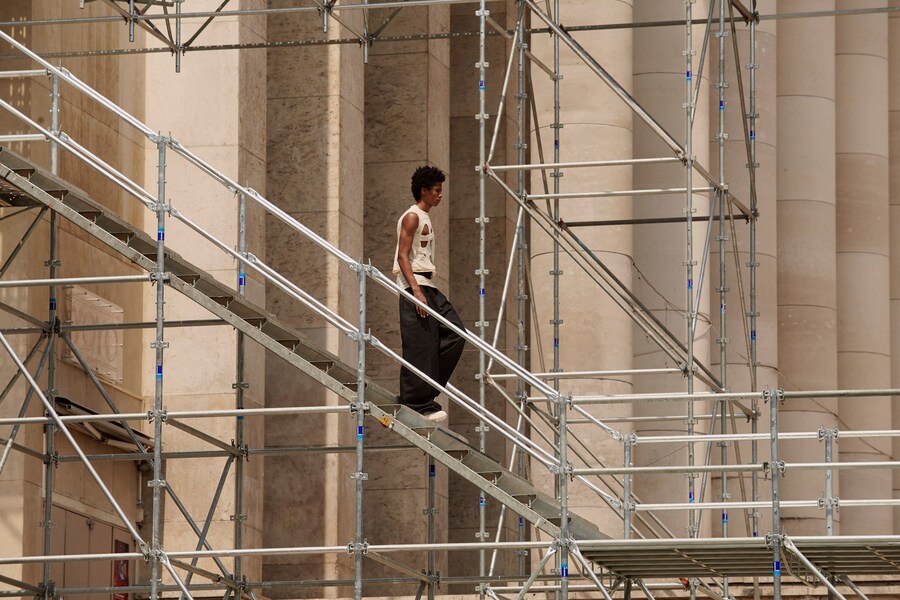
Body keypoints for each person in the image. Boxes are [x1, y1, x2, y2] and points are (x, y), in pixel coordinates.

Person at [392, 165, 465, 423]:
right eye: (436, 190)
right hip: (416, 285)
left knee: (455, 334)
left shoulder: (425, 216)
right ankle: (416, 401)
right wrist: (415, 292)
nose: (440, 195)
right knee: (419, 346)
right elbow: (402, 256)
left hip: (428, 285)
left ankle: (427, 392)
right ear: (424, 190)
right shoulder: (412, 217)